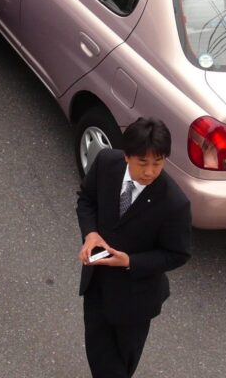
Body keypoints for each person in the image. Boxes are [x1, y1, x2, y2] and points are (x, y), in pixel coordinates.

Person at [76, 117, 192, 377]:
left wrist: (130, 261)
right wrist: (91, 233)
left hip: (136, 301)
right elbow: (86, 200)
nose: (150, 171)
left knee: (121, 364)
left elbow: (177, 254)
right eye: (143, 163)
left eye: (158, 163)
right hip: (97, 283)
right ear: (127, 156)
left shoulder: (175, 203)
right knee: (98, 355)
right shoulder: (106, 164)